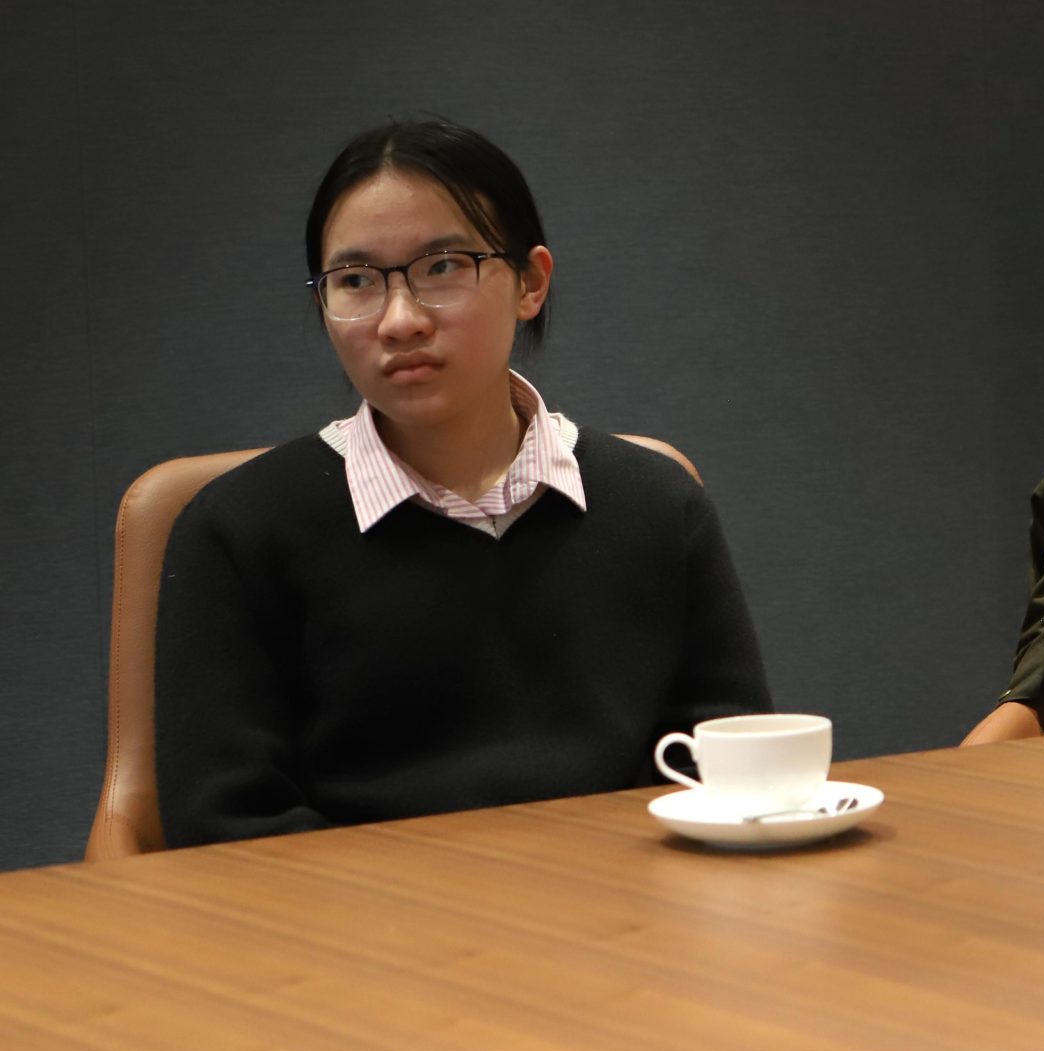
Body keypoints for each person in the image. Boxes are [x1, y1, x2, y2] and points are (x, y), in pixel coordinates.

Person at [156, 117, 772, 845]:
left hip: (624, 929)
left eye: (443, 266)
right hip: (360, 943)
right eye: (356, 280)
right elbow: (230, 826)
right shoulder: (239, 530)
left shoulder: (659, 506)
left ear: (531, 282)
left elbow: (730, 777)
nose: (400, 319)